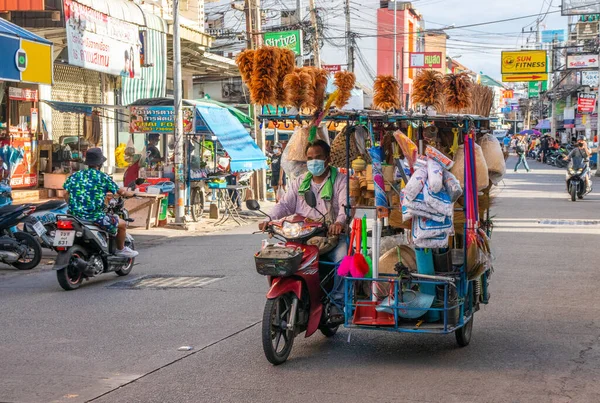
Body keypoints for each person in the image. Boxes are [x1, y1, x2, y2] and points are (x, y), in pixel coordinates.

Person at [259, 140, 348, 323]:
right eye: (310, 158)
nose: (313, 162)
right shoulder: (299, 181)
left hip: (329, 235)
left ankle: (336, 304)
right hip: (301, 234)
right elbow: (285, 205)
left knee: (342, 261)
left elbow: (345, 207)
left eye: (318, 158)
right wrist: (269, 220)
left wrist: (338, 223)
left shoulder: (340, 180)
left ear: (328, 159)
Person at [63, 148, 139, 259]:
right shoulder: (103, 177)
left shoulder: (75, 176)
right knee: (122, 224)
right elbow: (121, 192)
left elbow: (65, 194)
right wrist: (132, 193)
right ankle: (121, 249)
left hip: (75, 217)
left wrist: (73, 205)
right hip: (94, 217)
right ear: (100, 164)